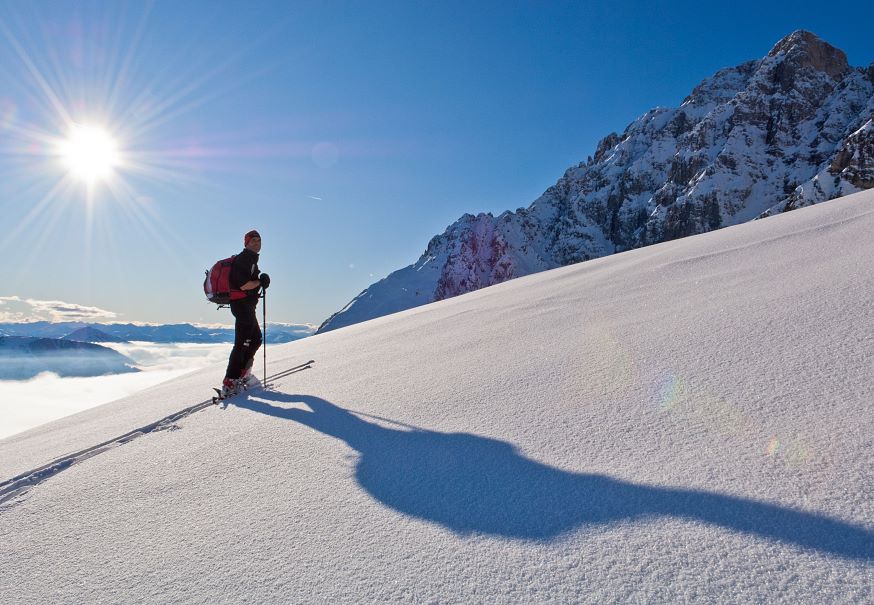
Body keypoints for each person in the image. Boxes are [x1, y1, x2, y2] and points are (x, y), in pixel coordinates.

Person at [222, 229, 270, 396]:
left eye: (259, 240)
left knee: (255, 339)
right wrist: (259, 281)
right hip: (241, 306)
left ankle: (243, 373)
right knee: (242, 343)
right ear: (246, 243)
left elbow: (250, 283)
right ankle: (230, 380)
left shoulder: (251, 260)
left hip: (247, 306)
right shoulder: (244, 259)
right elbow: (243, 285)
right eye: (253, 240)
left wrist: (260, 281)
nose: (257, 243)